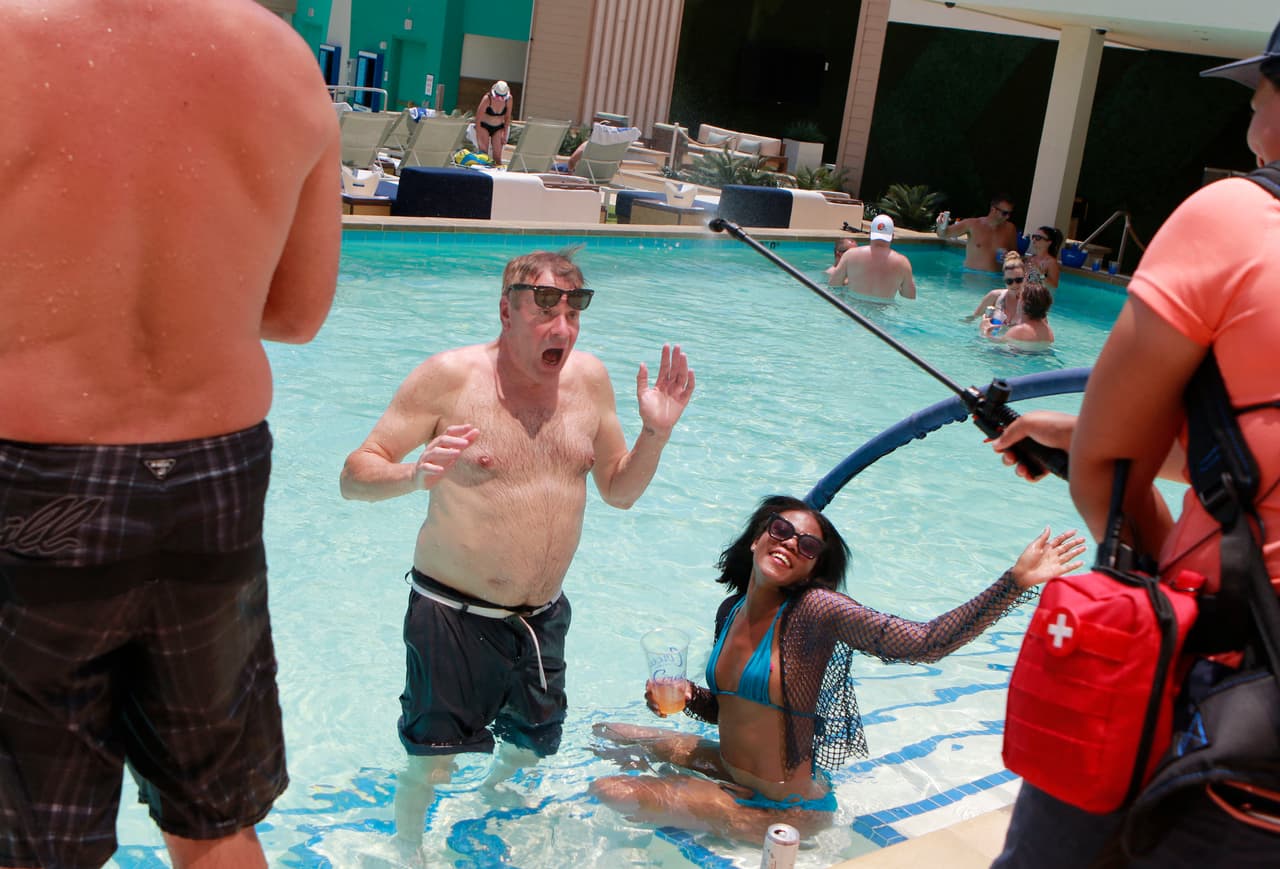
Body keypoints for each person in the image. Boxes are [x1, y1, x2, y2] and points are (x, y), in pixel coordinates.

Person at [0, 2, 341, 867]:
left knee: (30, 839)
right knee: (215, 818)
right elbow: (298, 314)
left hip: (37, 483)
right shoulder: (284, 60)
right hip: (214, 476)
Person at [990, 20, 1280, 867]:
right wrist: (1077, 433)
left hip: (1225, 699)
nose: (1252, 106)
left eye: (1261, 85)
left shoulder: (1235, 216)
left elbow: (1108, 471)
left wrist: (1166, 585)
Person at [338, 250, 695, 851]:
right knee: (432, 764)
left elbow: (619, 491)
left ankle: (488, 819)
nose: (562, 328)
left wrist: (655, 433)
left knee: (529, 748)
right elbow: (354, 475)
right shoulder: (450, 378)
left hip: (541, 621)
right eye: (544, 310)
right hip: (452, 617)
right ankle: (407, 854)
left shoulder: (590, 381)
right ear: (506, 310)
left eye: (573, 312)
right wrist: (414, 476)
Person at [589, 495, 1085, 844]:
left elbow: (926, 643)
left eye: (806, 547)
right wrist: (685, 696)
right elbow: (725, 710)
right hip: (733, 768)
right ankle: (715, 797)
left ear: (812, 569)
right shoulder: (731, 610)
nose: (788, 544)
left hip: (784, 806)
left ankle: (732, 817)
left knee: (610, 790)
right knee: (607, 734)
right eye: (780, 530)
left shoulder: (815, 614)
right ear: (756, 537)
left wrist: (1015, 581)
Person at [826, 215, 916, 300]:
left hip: (854, 310)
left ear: (870, 234)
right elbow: (909, 296)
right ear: (892, 236)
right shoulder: (903, 263)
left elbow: (833, 285)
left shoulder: (850, 255)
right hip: (882, 312)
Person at [936, 195, 1020, 272]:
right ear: (993, 209)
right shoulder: (972, 224)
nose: (1008, 217)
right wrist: (940, 225)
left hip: (997, 278)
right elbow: (943, 234)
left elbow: (1015, 254)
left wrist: (1009, 256)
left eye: (1010, 213)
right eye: (1004, 213)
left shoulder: (1010, 228)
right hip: (972, 275)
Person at [963, 251, 1028, 325]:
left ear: (1025, 277)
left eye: (1018, 280)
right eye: (1009, 281)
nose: (1014, 284)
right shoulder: (994, 296)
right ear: (1004, 280)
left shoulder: (1031, 301)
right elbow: (972, 319)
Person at [982, 282, 1053, 348]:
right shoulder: (1048, 331)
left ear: (1023, 304)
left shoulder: (1018, 330)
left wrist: (986, 330)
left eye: (1019, 297)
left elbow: (996, 343)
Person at [475, 80, 512, 166]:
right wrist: (478, 133)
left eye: (502, 97)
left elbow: (507, 118)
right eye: (497, 97)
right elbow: (478, 118)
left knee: (497, 157)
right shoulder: (487, 99)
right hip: (484, 126)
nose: (499, 100)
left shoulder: (509, 100)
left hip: (498, 127)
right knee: (484, 155)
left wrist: (504, 133)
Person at [1023, 225, 1063, 290]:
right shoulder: (1031, 258)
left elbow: (1053, 286)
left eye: (1038, 238)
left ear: (1049, 242)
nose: (1034, 240)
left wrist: (1040, 273)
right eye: (1033, 237)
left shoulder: (1051, 262)